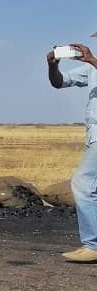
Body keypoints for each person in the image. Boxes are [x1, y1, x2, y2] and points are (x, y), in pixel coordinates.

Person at [48, 41, 97, 262]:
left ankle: (93, 245)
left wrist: (93, 61)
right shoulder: (90, 70)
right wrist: (52, 66)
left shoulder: (93, 65)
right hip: (92, 133)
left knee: (83, 182)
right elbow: (59, 83)